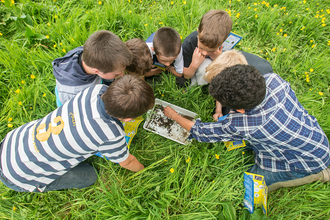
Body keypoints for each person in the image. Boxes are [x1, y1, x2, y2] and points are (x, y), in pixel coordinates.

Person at [163, 64, 330, 192]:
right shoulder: (273, 80)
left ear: (241, 110)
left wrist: (175, 116)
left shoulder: (244, 124)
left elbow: (200, 131)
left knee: (252, 181)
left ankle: (320, 175)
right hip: (315, 139)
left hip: (306, 163)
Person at [0, 75, 155, 192]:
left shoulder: (95, 90)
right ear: (128, 119)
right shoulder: (110, 134)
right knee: (89, 176)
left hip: (13, 142)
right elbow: (127, 162)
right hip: (18, 175)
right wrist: (144, 171)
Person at [180, 9, 273, 87]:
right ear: (198, 31)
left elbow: (225, 70)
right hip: (192, 72)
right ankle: (196, 85)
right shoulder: (190, 42)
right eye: (201, 47)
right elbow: (186, 75)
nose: (204, 53)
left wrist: (218, 59)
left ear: (224, 40)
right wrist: (194, 65)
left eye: (210, 50)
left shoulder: (223, 46)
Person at [53, 30, 132, 106]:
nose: (122, 75)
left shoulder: (91, 53)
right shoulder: (74, 92)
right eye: (117, 74)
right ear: (97, 71)